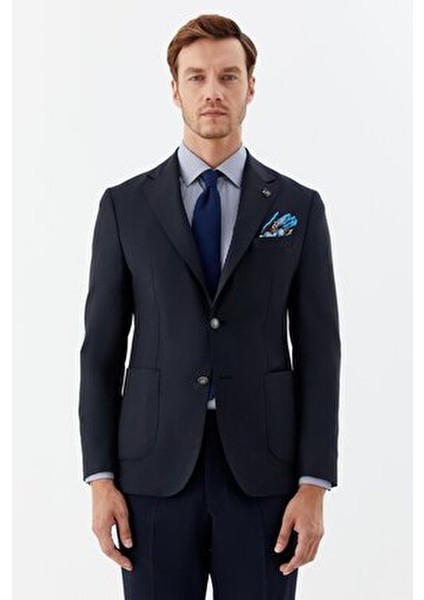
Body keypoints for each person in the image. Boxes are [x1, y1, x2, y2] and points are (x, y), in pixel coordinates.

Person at [78, 13, 341, 600]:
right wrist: (100, 479)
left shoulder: (298, 207)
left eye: (228, 76)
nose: (212, 91)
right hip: (151, 474)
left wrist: (314, 482)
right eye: (196, 77)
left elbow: (320, 353)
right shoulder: (124, 207)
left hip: (266, 477)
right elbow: (100, 352)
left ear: (251, 86)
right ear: (175, 90)